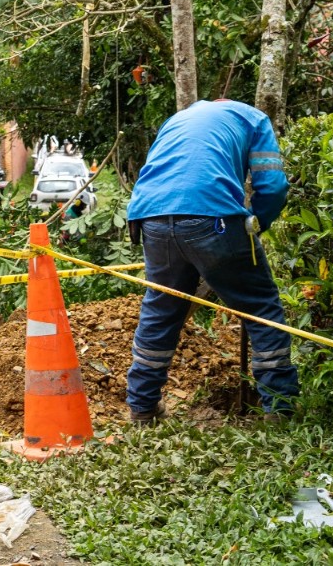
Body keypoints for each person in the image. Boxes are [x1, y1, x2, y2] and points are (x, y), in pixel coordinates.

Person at [124, 99, 298, 425]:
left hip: (151, 217)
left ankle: (142, 410)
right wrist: (258, 223)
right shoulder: (254, 119)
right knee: (261, 308)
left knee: (161, 311)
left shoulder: (178, 118)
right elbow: (273, 186)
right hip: (213, 215)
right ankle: (280, 410)